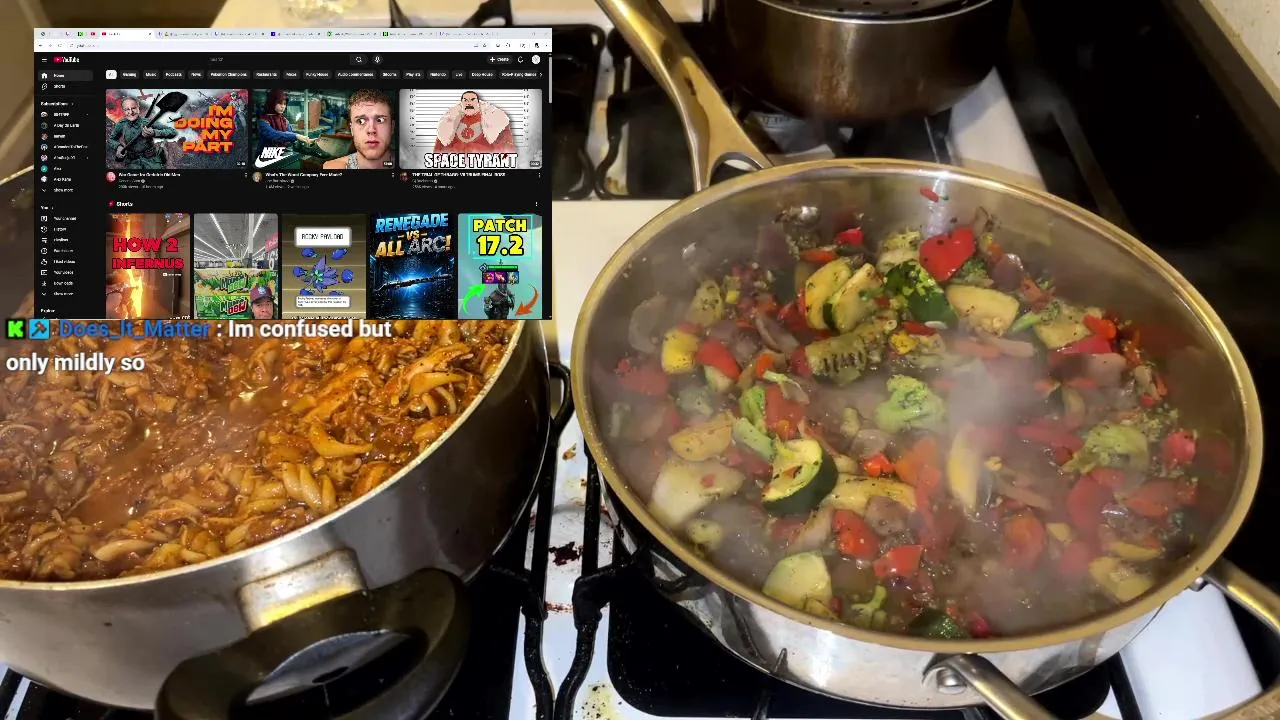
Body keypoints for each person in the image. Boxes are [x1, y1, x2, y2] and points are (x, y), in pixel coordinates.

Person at [323, 89, 394, 170]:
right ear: (352, 129)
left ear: (392, 127)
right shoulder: (332, 168)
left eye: (380, 120)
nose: (371, 130)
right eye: (361, 121)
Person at [433, 91, 517, 155]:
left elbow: (507, 146)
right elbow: (439, 147)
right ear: (461, 103)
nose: (469, 103)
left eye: (472, 100)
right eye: (465, 100)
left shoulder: (495, 121)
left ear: (478, 102)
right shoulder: (449, 122)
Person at [108, 96, 177, 170]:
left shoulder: (148, 122)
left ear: (138, 108)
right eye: (127, 109)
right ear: (123, 111)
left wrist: (154, 133)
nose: (131, 112)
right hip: (132, 163)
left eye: (133, 108)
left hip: (151, 161)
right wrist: (118, 147)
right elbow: (111, 139)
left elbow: (173, 132)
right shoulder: (121, 124)